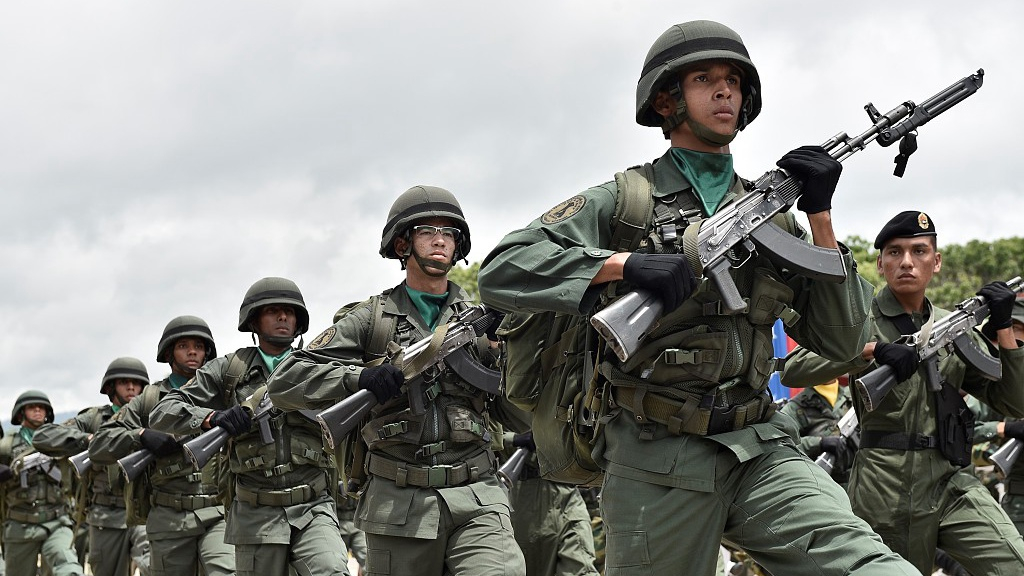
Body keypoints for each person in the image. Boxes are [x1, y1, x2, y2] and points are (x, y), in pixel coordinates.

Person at [476, 20, 918, 576]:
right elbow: (504, 267)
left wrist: (821, 218)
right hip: (655, 455)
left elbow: (845, 343)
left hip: (762, 446)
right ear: (666, 100)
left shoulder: (774, 216)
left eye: (733, 80)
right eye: (704, 79)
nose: (724, 90)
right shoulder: (627, 200)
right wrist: (624, 265)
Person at [267, 185, 527, 576]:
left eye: (449, 232)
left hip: (479, 494)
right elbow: (284, 382)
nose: (440, 239)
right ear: (403, 243)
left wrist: (509, 353)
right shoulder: (371, 319)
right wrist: (360, 378)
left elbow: (518, 416)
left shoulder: (481, 320)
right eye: (428, 231)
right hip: (399, 502)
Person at [782, 210, 1024, 574]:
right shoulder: (859, 321)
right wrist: (872, 350)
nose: (907, 262)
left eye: (919, 251)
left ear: (936, 262)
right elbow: (793, 368)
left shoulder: (954, 327)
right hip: (884, 482)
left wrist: (1004, 328)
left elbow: (1014, 402)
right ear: (880, 264)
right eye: (895, 252)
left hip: (949, 478)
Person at [149, 278, 350, 576]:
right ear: (254, 320)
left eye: (289, 312)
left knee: (331, 569)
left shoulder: (317, 364)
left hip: (313, 505)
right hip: (256, 513)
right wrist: (212, 418)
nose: (283, 317)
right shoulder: (230, 370)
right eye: (272, 310)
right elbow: (162, 412)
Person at [90, 316, 235, 576]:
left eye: (198, 346)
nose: (192, 351)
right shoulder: (149, 399)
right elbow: (99, 445)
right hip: (169, 518)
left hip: (218, 512)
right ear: (169, 353)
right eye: (183, 346)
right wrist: (140, 435)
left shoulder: (222, 395)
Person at [34, 358, 152, 576]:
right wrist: (91, 440)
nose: (131, 387)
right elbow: (43, 436)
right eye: (124, 382)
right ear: (110, 387)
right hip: (106, 515)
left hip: (145, 511)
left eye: (136, 383)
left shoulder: (150, 416)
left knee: (155, 566)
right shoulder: (95, 419)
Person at [492, 398, 600, 576]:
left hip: (566, 493)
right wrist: (515, 439)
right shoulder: (496, 389)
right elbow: (479, 433)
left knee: (582, 569)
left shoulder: (563, 383)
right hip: (522, 498)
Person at [0, 390, 85, 575]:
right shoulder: (7, 445)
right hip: (20, 526)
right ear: (21, 413)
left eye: (42, 407)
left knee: (69, 569)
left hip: (57, 522)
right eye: (32, 407)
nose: (38, 410)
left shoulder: (60, 440)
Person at [780, 377, 856, 484]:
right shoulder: (795, 408)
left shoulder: (854, 396)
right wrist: (818, 443)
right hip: (820, 484)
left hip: (856, 481)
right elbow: (779, 446)